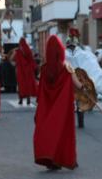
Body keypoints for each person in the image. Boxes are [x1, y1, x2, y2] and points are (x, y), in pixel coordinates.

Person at [34, 35, 84, 170]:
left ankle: (52, 159)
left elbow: (40, 89)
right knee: (63, 132)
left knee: (49, 131)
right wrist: (84, 88)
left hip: (47, 106)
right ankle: (66, 159)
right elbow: (77, 84)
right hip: (62, 107)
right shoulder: (66, 68)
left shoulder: (44, 69)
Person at [14, 38, 38, 104]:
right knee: (28, 84)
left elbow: (15, 59)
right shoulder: (28, 50)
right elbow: (31, 59)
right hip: (28, 70)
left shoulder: (18, 51)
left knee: (21, 85)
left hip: (20, 71)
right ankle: (28, 99)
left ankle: (21, 100)